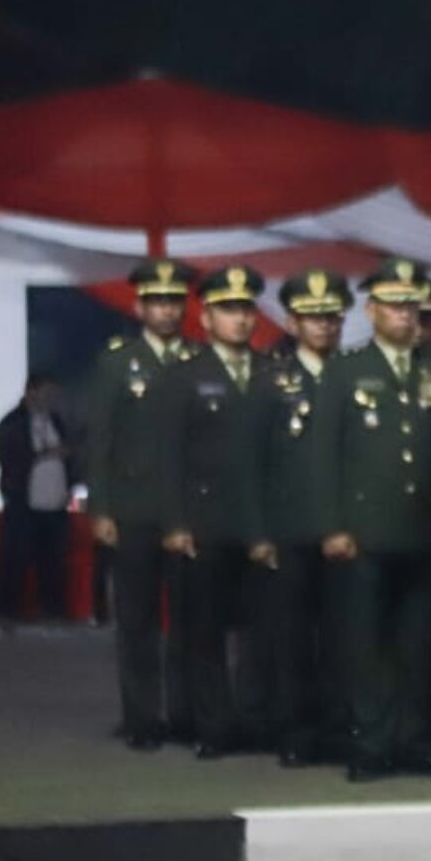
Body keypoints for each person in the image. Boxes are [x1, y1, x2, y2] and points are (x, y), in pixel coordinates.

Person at [315, 262, 431, 782]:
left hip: (424, 527)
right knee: (366, 643)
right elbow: (324, 455)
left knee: (418, 644)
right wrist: (332, 525)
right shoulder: (345, 371)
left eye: (411, 306)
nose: (404, 315)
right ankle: (372, 742)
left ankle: (413, 739)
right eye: (394, 306)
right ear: (372, 310)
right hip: (364, 530)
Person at [151, 265, 274, 758]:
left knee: (261, 631)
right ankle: (213, 725)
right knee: (205, 633)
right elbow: (167, 457)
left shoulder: (271, 372)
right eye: (228, 310)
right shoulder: (184, 377)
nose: (240, 319)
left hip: (263, 524)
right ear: (205, 318)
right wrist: (174, 522)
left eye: (246, 309)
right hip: (205, 523)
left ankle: (255, 718)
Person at [88, 259, 196, 748]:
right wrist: (101, 509)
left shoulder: (198, 360)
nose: (167, 310)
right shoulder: (117, 363)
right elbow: (101, 441)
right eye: (157, 302)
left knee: (190, 622)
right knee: (137, 621)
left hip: (190, 513)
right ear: (139, 308)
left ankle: (185, 715)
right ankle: (142, 719)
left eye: (174, 301)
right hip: (133, 511)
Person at [243, 269, 345, 766]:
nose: (323, 325)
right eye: (312, 317)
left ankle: (337, 729)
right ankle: (296, 732)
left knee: (344, 638)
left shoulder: (353, 376)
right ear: (291, 322)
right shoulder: (270, 382)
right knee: (291, 639)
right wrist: (258, 532)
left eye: (331, 317)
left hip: (346, 531)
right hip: (289, 530)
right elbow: (251, 463)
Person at [0, 374, 75, 624]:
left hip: (55, 504)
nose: (51, 399)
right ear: (31, 392)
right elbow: (8, 459)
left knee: (53, 561)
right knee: (16, 560)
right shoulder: (12, 424)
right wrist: (45, 453)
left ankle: (53, 609)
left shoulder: (55, 421)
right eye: (46, 393)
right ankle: (7, 611)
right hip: (24, 504)